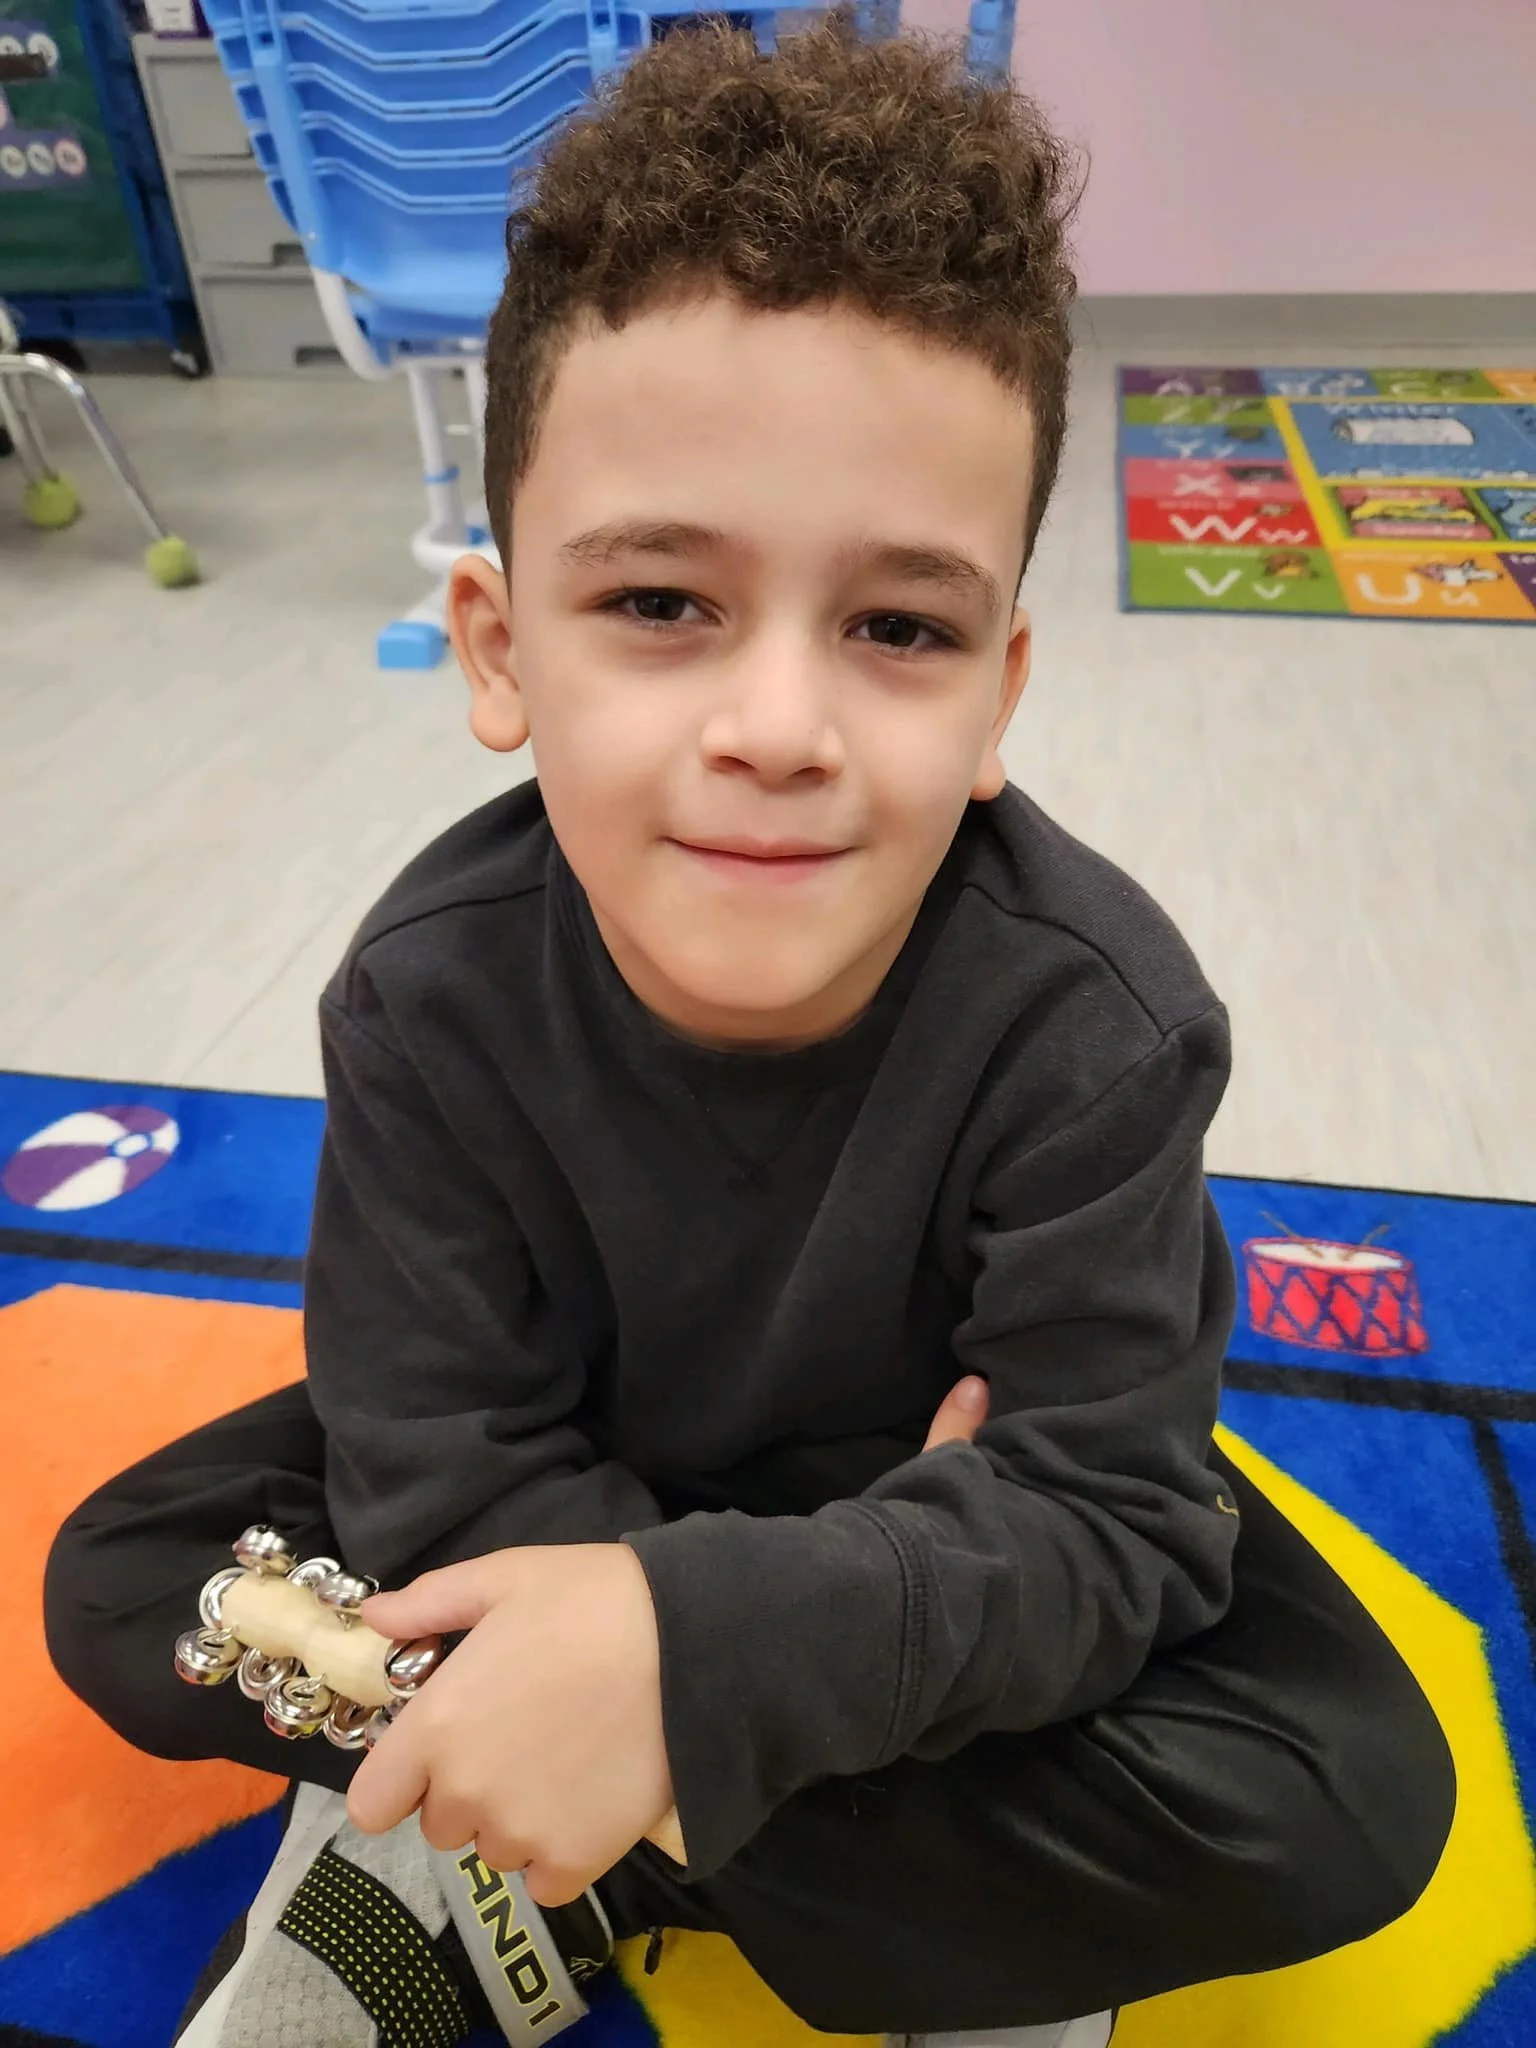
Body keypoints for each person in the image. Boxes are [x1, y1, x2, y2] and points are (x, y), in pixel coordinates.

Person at [44, 18, 1454, 2048]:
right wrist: (678, 1631)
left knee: (1340, 1788)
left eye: (897, 627)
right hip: (639, 1498)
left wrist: (700, 1643)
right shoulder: (429, 991)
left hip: (906, 1507)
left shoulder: (1098, 1024)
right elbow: (438, 1455)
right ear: (504, 646)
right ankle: (756, 1844)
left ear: (996, 694)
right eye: (660, 604)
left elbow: (1111, 1511)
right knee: (143, 1577)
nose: (778, 726)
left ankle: (543, 1833)